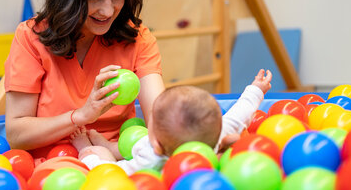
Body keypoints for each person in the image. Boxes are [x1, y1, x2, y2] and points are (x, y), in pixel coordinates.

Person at [4, 0, 165, 161]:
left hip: (119, 161)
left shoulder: (138, 37)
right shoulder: (31, 37)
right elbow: (17, 134)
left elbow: (159, 120)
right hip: (54, 166)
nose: (108, 10)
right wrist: (81, 115)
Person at [71, 69, 273, 175]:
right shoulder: (218, 134)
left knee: (99, 154)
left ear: (157, 145)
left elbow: (113, 173)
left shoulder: (149, 160)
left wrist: (89, 159)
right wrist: (256, 90)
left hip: (124, 160)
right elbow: (239, 114)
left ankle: (97, 148)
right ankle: (108, 145)